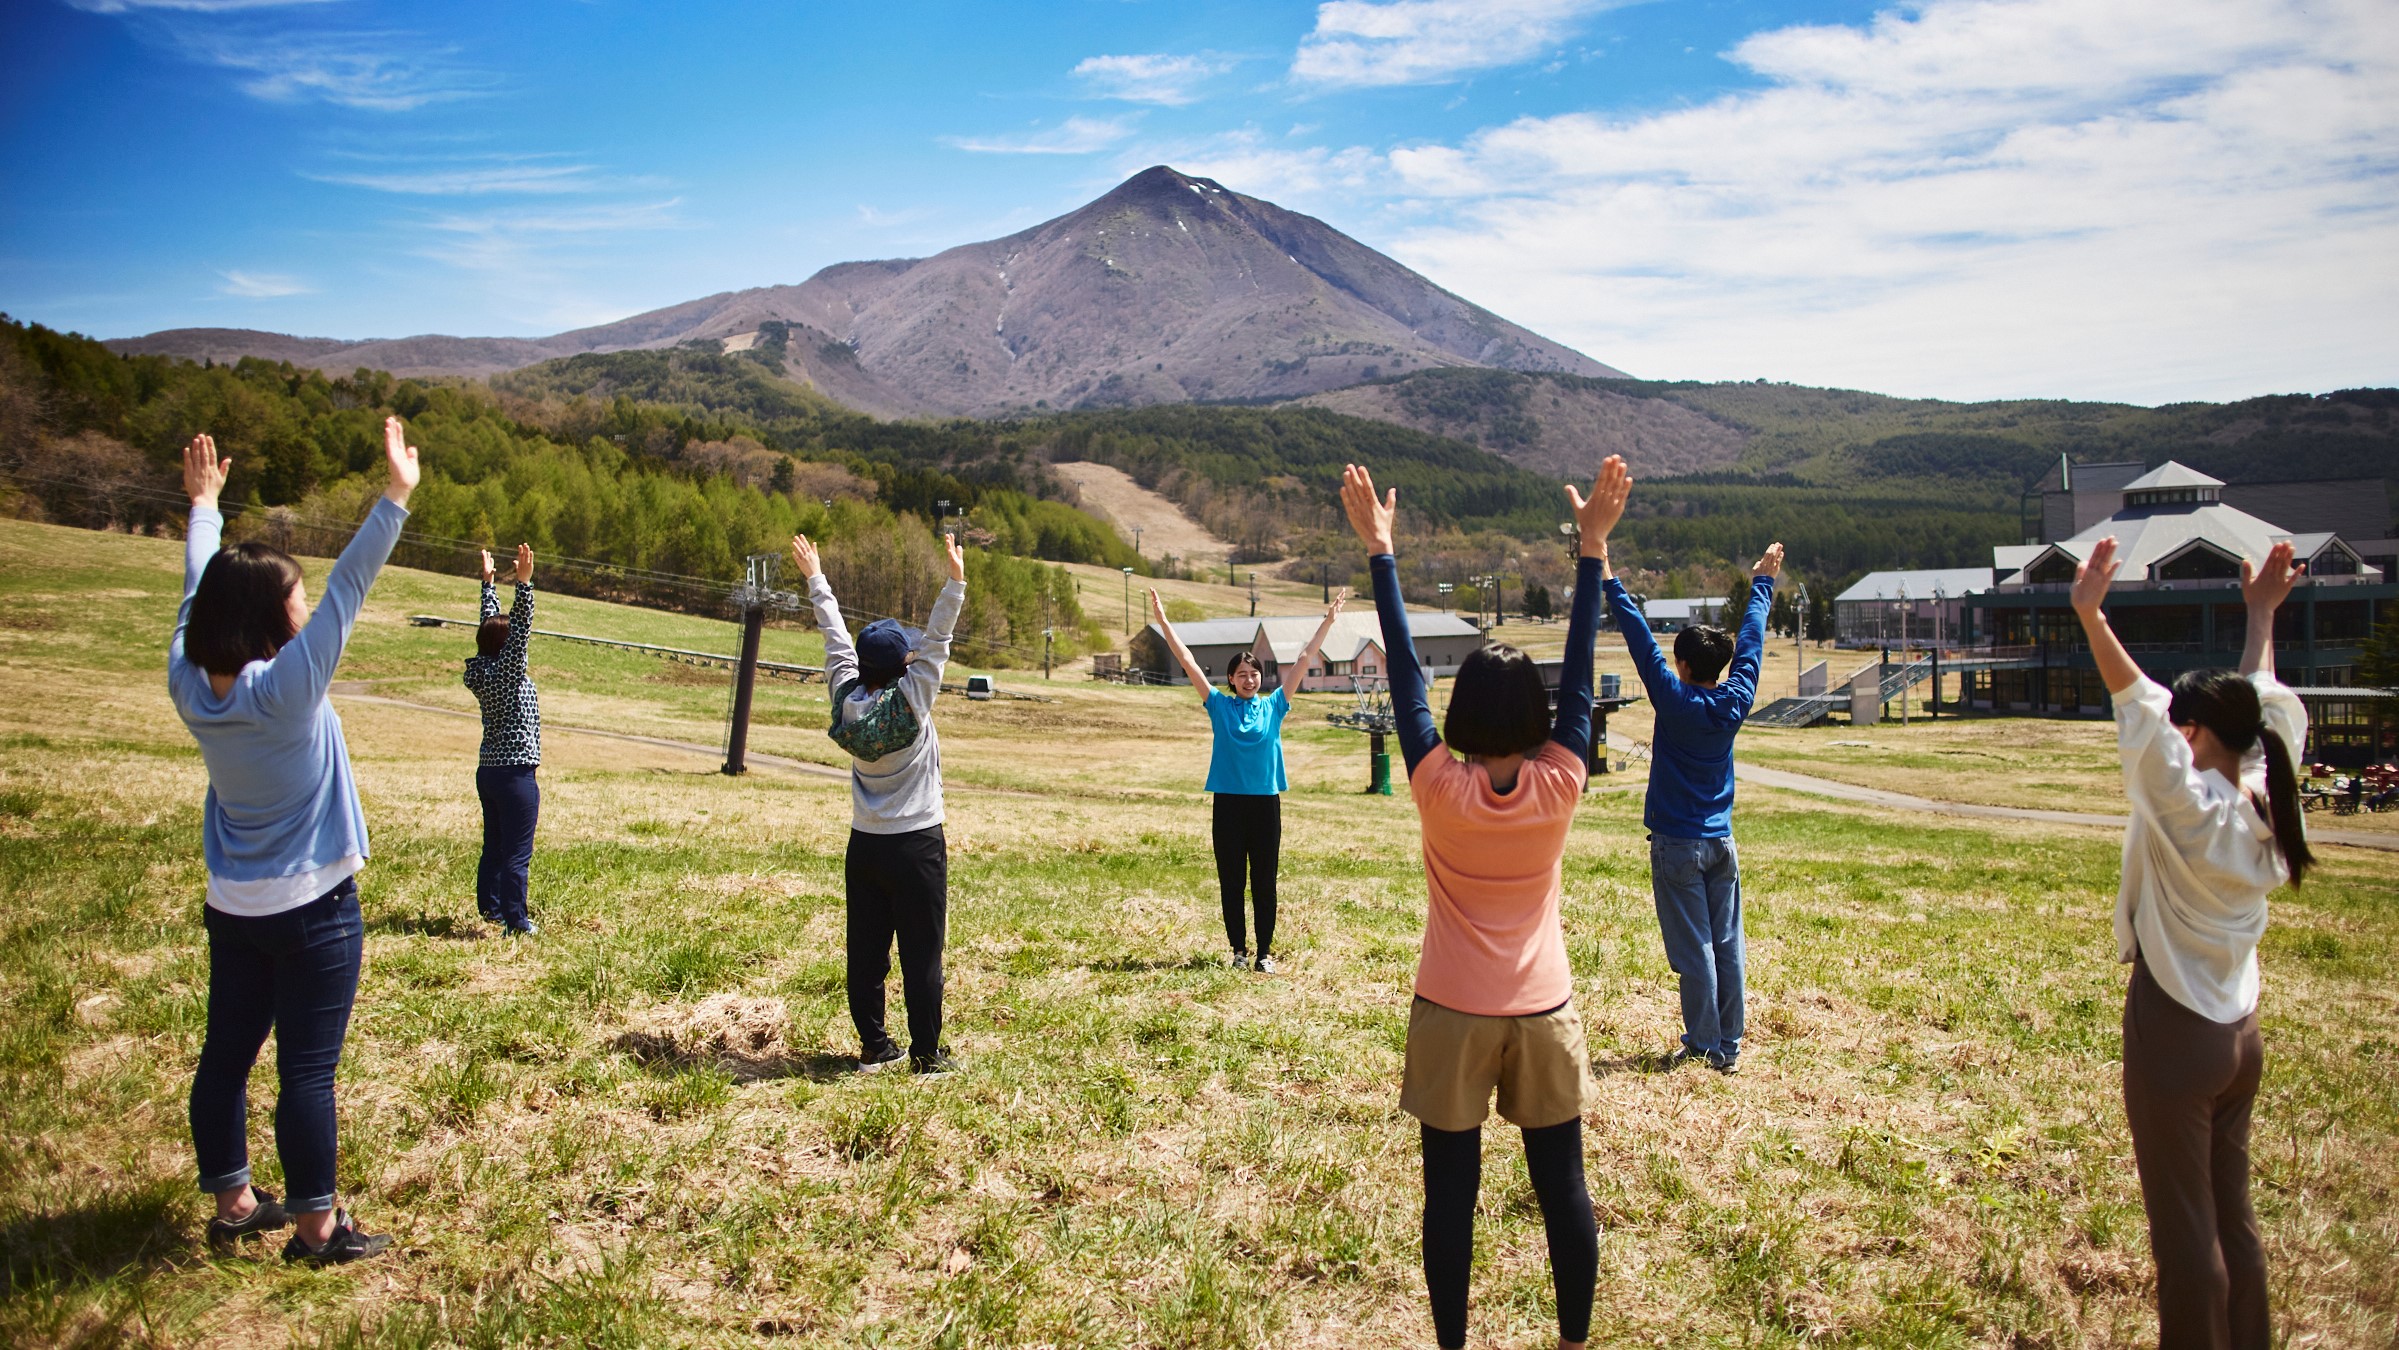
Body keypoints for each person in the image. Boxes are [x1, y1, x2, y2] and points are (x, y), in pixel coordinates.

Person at [1343, 455, 1623, 1350]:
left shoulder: (1434, 784)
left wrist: (1382, 555)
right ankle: (1573, 1342)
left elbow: (1404, 687)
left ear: (1461, 712)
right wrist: (1590, 550)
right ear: (1538, 716)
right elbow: (1579, 673)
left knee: (1448, 1201)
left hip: (1451, 1010)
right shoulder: (1562, 780)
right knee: (1564, 1193)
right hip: (1542, 1009)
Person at [170, 418, 417, 1266]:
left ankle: (235, 1200)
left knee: (227, 1055)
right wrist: (394, 496)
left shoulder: (190, 683)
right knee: (308, 1073)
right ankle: (318, 1230)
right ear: (274, 619)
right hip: (313, 909)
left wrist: (204, 508)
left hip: (232, 903)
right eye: (295, 600)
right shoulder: (288, 690)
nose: (308, 607)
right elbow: (351, 585)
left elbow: (198, 591)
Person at [2069, 536, 2312, 1350]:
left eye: (2184, 721)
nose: (2172, 727)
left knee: (2184, 1234)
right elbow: (2264, 705)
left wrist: (2091, 615)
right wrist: (2259, 617)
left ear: (2197, 731)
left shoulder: (2193, 815)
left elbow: (2137, 707)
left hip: (2175, 1032)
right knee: (2231, 1219)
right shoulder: (2263, 793)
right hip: (2240, 1033)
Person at [791, 529, 967, 1076]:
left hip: (864, 842)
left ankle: (873, 1045)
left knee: (866, 951)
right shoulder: (913, 700)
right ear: (903, 670)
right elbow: (938, 640)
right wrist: (955, 583)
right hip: (917, 844)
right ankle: (926, 1054)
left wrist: (816, 578)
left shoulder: (846, 696)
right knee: (922, 953)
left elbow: (836, 640)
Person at [1605, 536, 1781, 1072]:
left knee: (1695, 950)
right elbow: (1750, 642)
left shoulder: (1675, 699)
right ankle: (1728, 1045)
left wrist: (1609, 577)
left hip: (1677, 843)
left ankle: (1706, 1045)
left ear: (1680, 664)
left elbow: (1639, 640)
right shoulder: (1735, 698)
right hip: (1720, 840)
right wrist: (1764, 583)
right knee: (1727, 944)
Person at [1146, 585, 1347, 972]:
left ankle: (1264, 954)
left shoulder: (1276, 705)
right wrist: (1164, 622)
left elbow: (1305, 657)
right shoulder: (1218, 706)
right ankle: (1238, 951)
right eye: (1242, 674)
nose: (1250, 679)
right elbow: (1187, 660)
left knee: (1265, 883)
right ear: (1231, 679)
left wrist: (1329, 621)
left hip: (1265, 803)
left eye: (1254, 673)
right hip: (1229, 804)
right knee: (1232, 881)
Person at [464, 543, 542, 936]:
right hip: (515, 776)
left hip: (489, 773)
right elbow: (519, 630)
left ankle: (491, 908)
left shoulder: (484, 669)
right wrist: (524, 585)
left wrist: (488, 585)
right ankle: (516, 921)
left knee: (494, 845)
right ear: (506, 650)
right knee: (517, 852)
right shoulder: (508, 674)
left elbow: (490, 629)